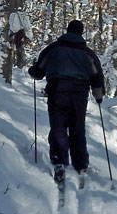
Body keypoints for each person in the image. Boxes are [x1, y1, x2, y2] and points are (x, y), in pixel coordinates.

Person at [28, 20, 105, 184]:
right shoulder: (88, 53)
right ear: (81, 33)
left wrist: (33, 71)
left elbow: (38, 72)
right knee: (77, 127)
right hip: (79, 94)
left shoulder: (53, 48)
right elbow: (97, 76)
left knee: (58, 127)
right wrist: (98, 96)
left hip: (57, 90)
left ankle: (59, 162)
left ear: (67, 30)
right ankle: (81, 165)